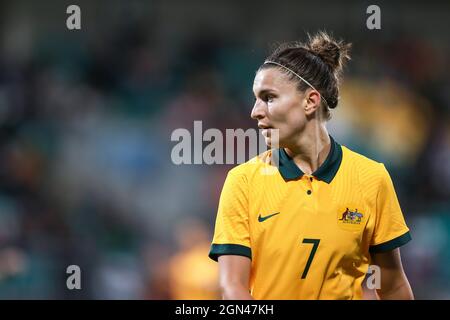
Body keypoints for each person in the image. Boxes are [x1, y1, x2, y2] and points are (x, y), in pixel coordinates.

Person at [208, 31, 413, 300]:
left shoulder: (371, 178)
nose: (255, 111)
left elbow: (393, 286)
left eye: (268, 97)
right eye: (257, 99)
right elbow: (232, 289)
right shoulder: (243, 181)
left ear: (310, 101)